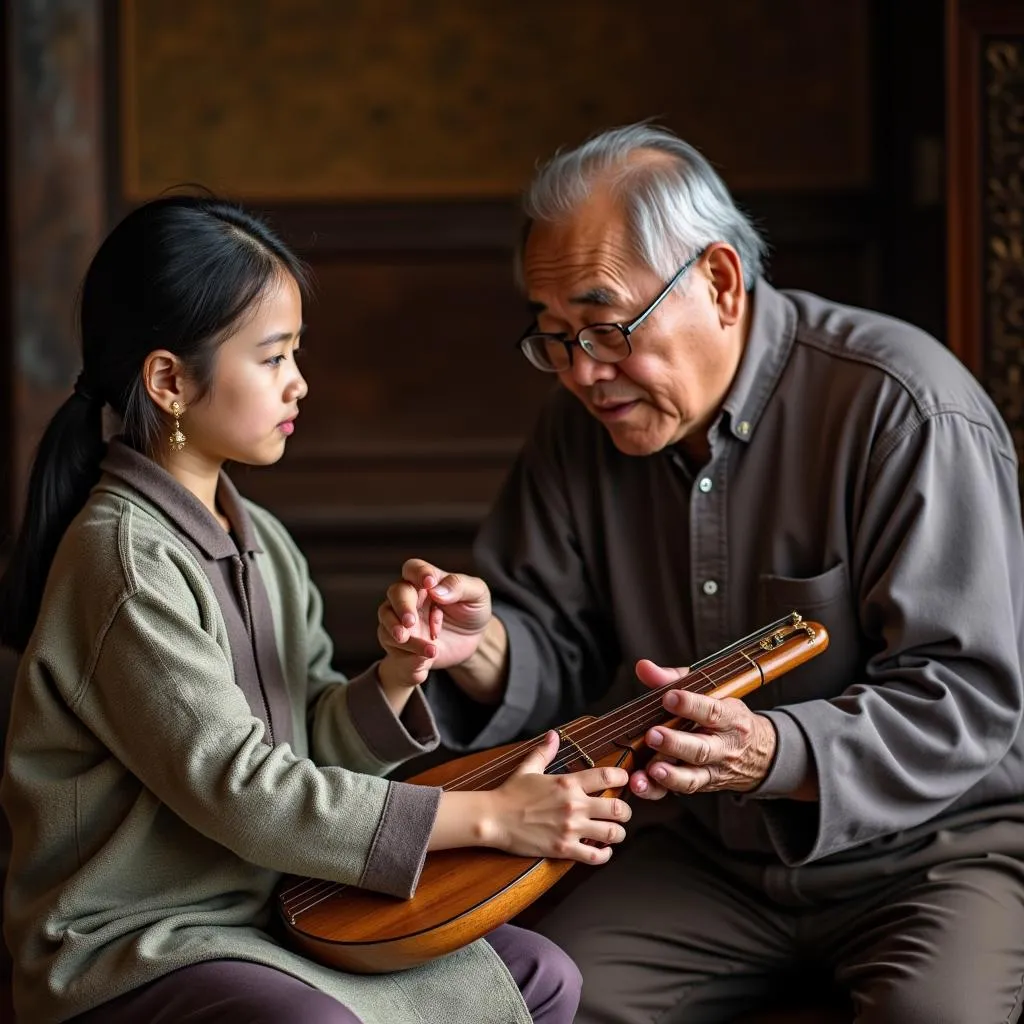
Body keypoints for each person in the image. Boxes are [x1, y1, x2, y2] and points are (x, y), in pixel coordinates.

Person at [378, 123, 1024, 1024]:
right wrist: (479, 646)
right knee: (543, 999)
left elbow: (963, 694)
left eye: (605, 328)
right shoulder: (580, 431)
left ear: (718, 282)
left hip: (927, 852)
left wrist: (769, 752)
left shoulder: (901, 405)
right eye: (553, 338)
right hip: (704, 858)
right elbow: (553, 643)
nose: (582, 375)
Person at [0, 195, 634, 1024]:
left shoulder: (257, 534)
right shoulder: (123, 561)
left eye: (296, 352)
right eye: (272, 358)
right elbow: (246, 792)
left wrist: (398, 678)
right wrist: (488, 817)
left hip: (273, 909)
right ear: (169, 380)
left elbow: (307, 739)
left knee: (537, 978)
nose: (300, 382)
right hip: (136, 939)